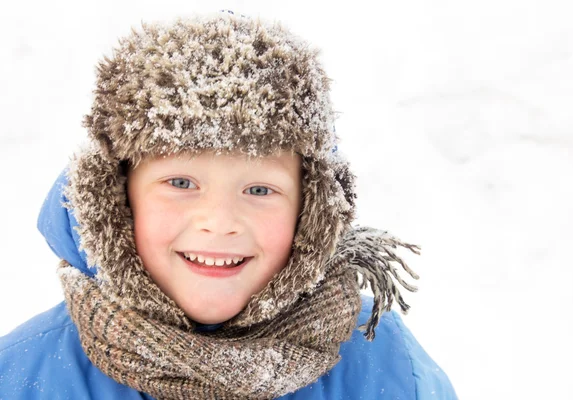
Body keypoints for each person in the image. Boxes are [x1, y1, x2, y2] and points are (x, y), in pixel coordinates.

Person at [0, 11, 457, 399]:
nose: (219, 223)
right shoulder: (26, 376)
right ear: (115, 201)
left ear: (312, 211)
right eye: (180, 182)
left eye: (259, 190)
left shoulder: (382, 361)